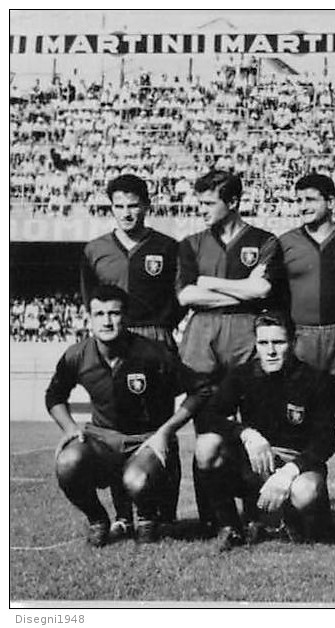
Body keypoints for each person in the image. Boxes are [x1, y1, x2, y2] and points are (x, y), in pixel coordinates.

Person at [45, 285, 209, 547]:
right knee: (68, 462)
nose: (106, 321)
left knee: (137, 481)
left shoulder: (153, 353)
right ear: (89, 318)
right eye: (99, 314)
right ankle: (98, 520)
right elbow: (54, 396)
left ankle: (147, 517)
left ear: (127, 317)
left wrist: (165, 433)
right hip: (103, 440)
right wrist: (68, 429)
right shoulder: (77, 355)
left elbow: (199, 390)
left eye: (114, 313)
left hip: (145, 440)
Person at [177, 170, 284, 529]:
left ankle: (255, 510)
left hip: (245, 334)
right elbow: (186, 295)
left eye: (209, 203)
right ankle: (214, 516)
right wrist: (239, 288)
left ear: (233, 202)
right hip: (202, 339)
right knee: (206, 426)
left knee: (254, 425)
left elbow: (263, 291)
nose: (202, 209)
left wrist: (210, 283)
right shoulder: (191, 243)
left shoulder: (265, 240)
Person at [80, 173, 184, 532]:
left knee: (160, 428)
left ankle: (163, 513)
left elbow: (179, 298)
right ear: (111, 208)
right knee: (117, 432)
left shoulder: (169, 247)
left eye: (133, 206)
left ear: (147, 206)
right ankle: (124, 514)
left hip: (154, 340)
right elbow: (89, 300)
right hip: (113, 344)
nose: (126, 213)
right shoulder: (95, 250)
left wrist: (159, 331)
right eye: (119, 207)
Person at [193, 311, 335, 551]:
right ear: (256, 344)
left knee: (306, 492)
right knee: (206, 446)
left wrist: (289, 473)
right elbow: (208, 416)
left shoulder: (317, 381)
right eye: (263, 343)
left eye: (278, 342)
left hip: (296, 464)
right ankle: (231, 527)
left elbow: (326, 441)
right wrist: (245, 433)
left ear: (293, 343)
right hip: (255, 460)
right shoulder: (242, 375)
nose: (270, 351)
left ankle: (291, 521)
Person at [278, 174, 335, 387]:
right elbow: (279, 293)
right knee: (302, 400)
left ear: (331, 202)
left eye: (310, 200)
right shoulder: (286, 242)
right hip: (302, 335)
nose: (303, 206)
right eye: (299, 201)